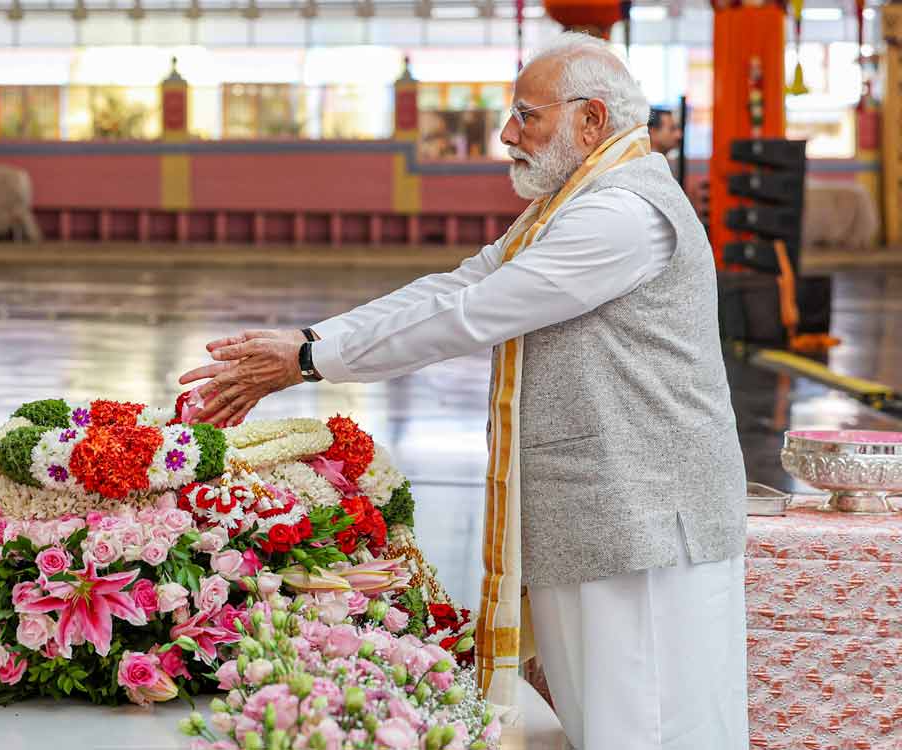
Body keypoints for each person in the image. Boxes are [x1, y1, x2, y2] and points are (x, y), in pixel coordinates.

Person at [178, 32, 748, 750]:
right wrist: (309, 341)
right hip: (600, 515)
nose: (508, 134)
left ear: (591, 119)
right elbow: (458, 286)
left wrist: (309, 362)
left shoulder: (623, 214)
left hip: (645, 527)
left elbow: (472, 314)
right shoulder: (578, 200)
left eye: (526, 115)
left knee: (645, 728)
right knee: (599, 727)